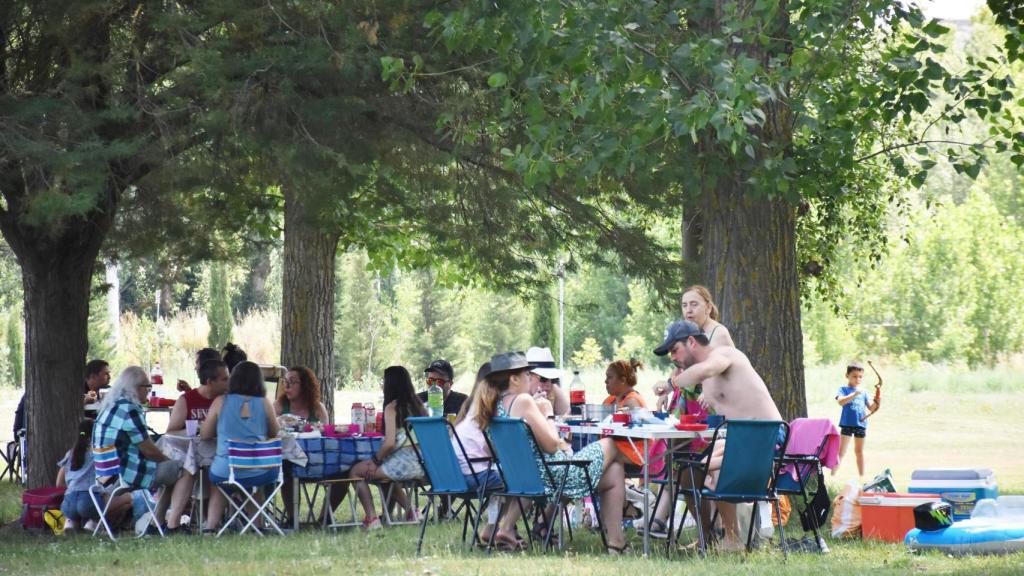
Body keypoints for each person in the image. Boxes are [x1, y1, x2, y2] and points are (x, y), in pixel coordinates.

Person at [481, 351, 631, 554]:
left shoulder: (495, 404)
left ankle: (617, 543)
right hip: (554, 475)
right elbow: (551, 445)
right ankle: (627, 513)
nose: (530, 378)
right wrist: (547, 413)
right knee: (612, 444)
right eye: (527, 375)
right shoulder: (524, 401)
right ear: (514, 379)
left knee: (614, 471)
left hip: (524, 477)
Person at [654, 319, 783, 552]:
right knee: (689, 468)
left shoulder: (724, 354)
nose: (672, 357)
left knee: (705, 464)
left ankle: (733, 539)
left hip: (766, 439)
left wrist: (672, 383)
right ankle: (712, 536)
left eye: (675, 350)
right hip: (742, 439)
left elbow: (706, 369)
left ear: (691, 341)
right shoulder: (706, 380)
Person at [92, 366, 174, 534]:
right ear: (136, 388)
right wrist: (170, 462)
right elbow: (149, 451)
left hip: (104, 474)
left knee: (172, 467)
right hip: (124, 475)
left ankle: (158, 522)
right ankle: (165, 523)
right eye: (147, 387)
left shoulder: (110, 405)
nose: (149, 392)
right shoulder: (130, 409)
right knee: (182, 471)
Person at [201, 361, 280, 533]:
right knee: (256, 480)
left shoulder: (220, 402)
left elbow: (205, 435)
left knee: (219, 481)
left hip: (226, 470)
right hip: (261, 469)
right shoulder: (265, 403)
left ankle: (211, 527)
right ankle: (256, 525)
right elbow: (275, 433)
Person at [350, 366, 428, 530]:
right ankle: (411, 511)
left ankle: (371, 518)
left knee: (356, 471)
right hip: (421, 465)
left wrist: (375, 460)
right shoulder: (419, 405)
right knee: (383, 477)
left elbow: (390, 443)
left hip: (402, 466)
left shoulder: (392, 407)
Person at [161, 359, 230, 532]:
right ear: (210, 382)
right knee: (188, 470)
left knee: (215, 471)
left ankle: (213, 523)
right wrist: (195, 430)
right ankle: (174, 522)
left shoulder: (227, 400)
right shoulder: (187, 400)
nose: (228, 383)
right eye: (224, 379)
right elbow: (171, 432)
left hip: (220, 455)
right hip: (191, 455)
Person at [655, 285, 734, 411]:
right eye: (684, 305)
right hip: (685, 396)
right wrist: (666, 391)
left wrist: (710, 391)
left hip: (708, 401)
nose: (688, 310)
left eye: (694, 304)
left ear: (708, 308)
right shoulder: (686, 329)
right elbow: (678, 367)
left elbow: (729, 371)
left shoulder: (719, 333)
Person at [56, 419, 132, 532]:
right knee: (127, 500)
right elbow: (106, 479)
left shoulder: (71, 453)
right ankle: (94, 523)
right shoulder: (98, 453)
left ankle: (71, 523)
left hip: (68, 502)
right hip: (88, 501)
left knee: (76, 510)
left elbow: (59, 483)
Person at [833, 363, 878, 478]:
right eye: (854, 376)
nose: (857, 379)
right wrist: (854, 394)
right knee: (841, 452)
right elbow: (841, 402)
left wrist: (878, 402)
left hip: (860, 424)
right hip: (847, 424)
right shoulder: (843, 389)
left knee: (859, 452)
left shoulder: (864, 392)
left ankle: (861, 476)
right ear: (847, 375)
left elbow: (871, 408)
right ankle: (833, 474)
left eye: (860, 377)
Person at [526, 347, 569, 416]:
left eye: (553, 379)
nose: (549, 384)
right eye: (544, 379)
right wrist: (531, 407)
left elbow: (566, 415)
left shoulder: (553, 389)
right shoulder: (517, 394)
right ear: (528, 376)